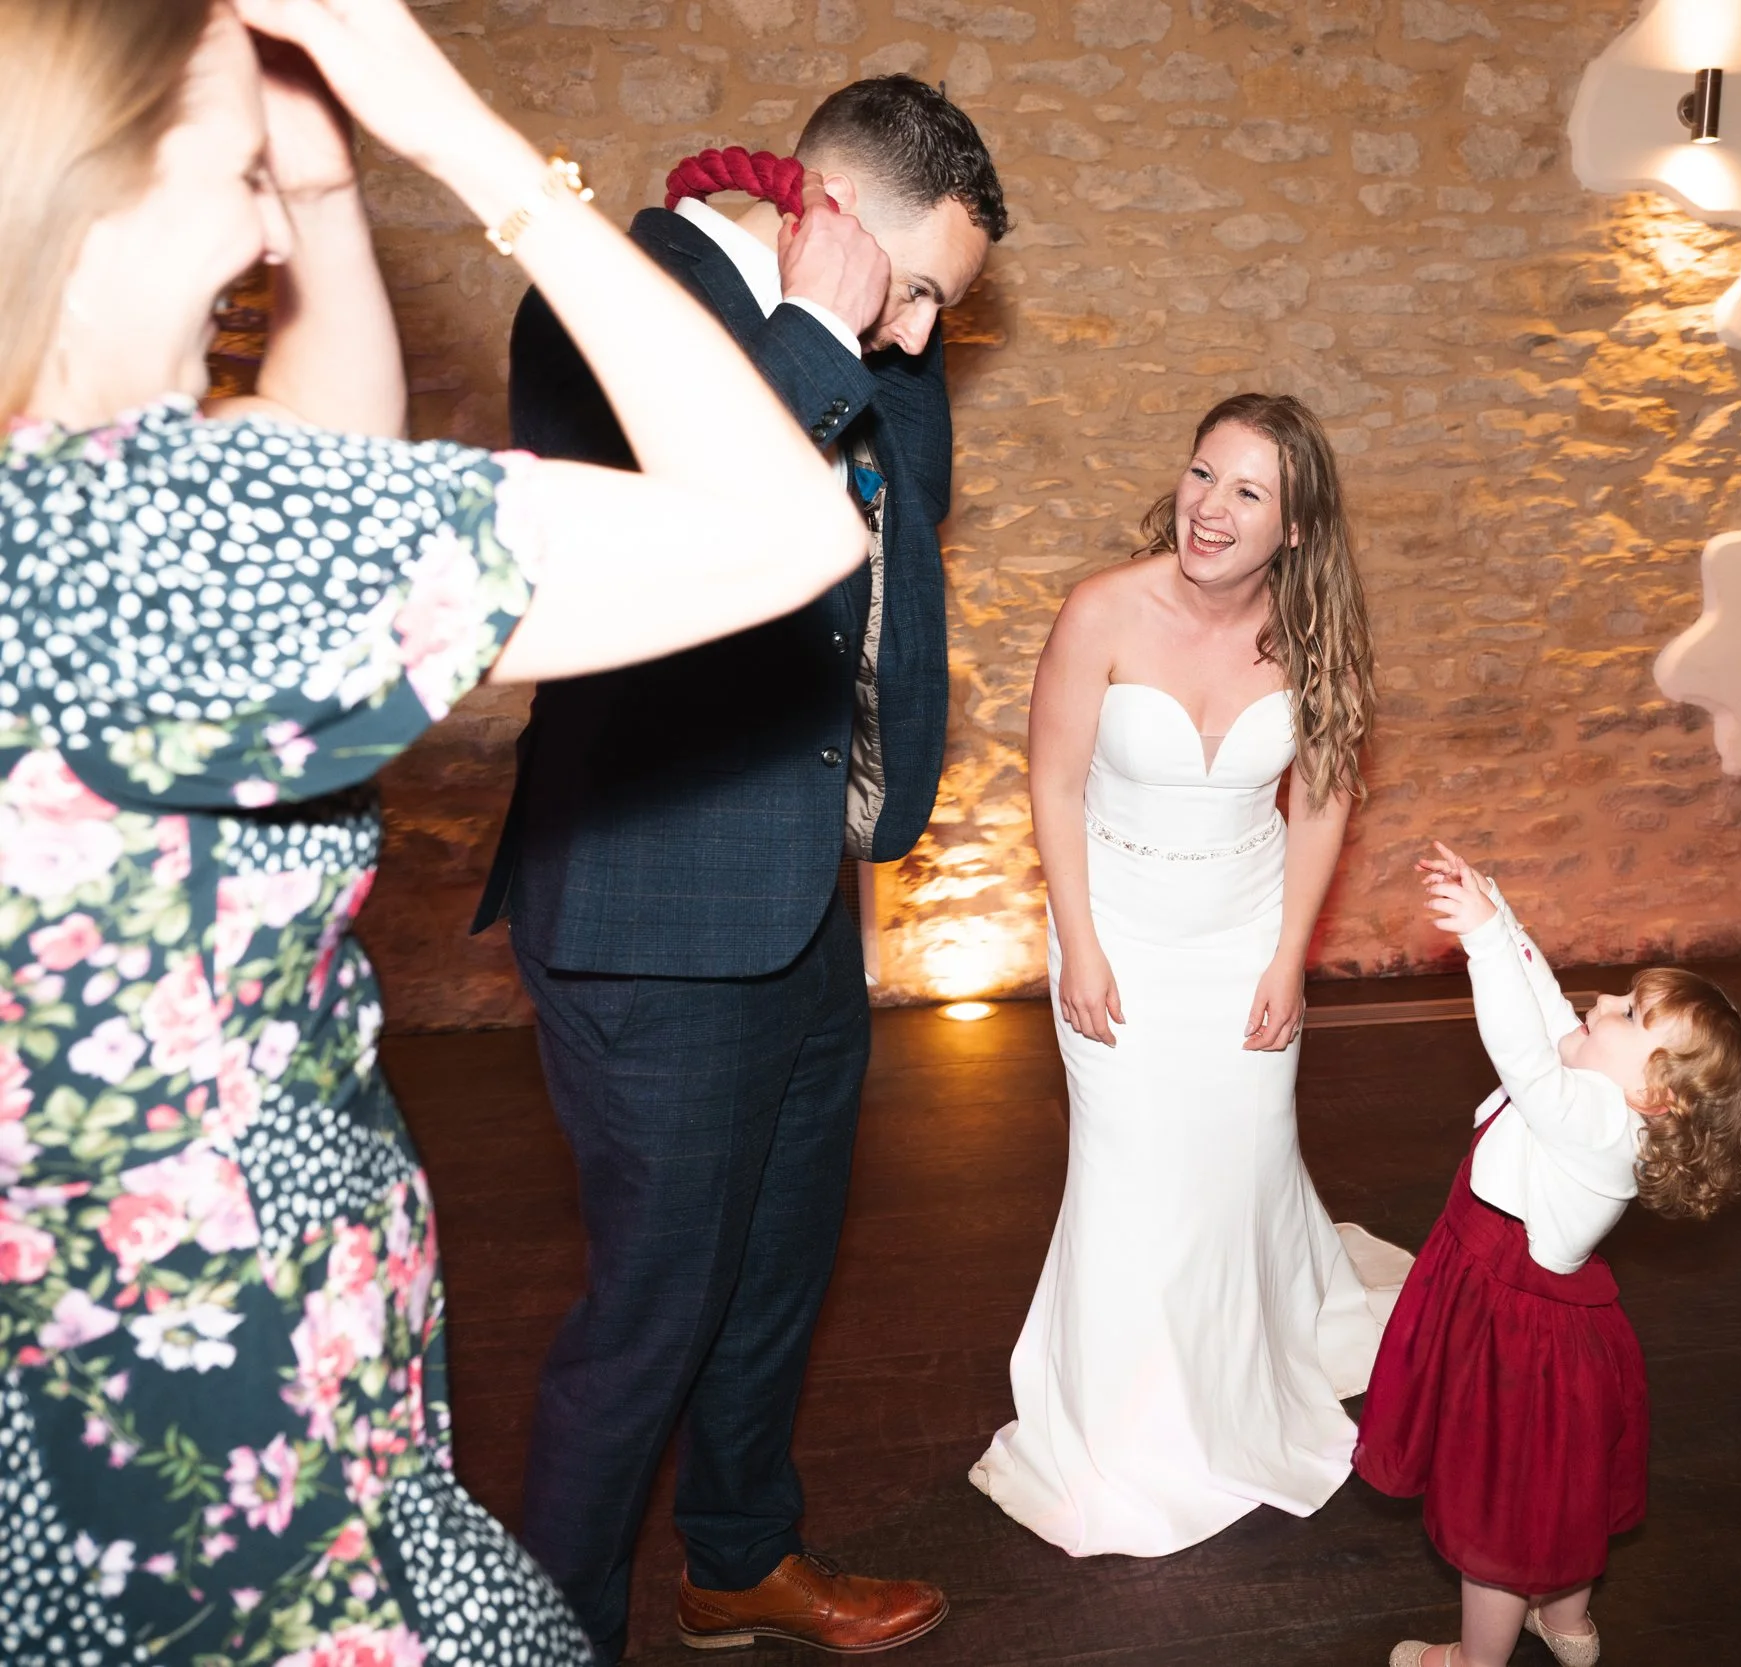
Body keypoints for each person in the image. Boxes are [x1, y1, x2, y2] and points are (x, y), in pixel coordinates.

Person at [0, 0, 872, 1657]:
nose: (263, 233)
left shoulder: (74, 521)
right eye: (238, 180)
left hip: (74, 1393)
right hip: (226, 1443)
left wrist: (328, 193)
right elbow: (780, 527)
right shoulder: (165, 543)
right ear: (101, 208)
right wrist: (464, 140)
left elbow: (321, 454)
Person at [466, 73, 1005, 1662]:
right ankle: (555, 1631)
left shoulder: (876, 345)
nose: (923, 335)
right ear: (830, 216)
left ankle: (737, 1557)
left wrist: (884, 335)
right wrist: (827, 333)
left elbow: (897, 533)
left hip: (797, 896)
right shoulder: (611, 300)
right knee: (651, 1314)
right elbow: (654, 551)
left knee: (773, 1276)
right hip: (652, 909)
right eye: (922, 291)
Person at [969, 392, 1407, 1555]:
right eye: (1203, 473)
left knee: (1242, 1156)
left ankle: (1246, 1363)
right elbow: (1053, 781)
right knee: (1127, 1171)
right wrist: (1080, 942)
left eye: (1247, 491)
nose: (1209, 506)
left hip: (1244, 929)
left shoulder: (1315, 636)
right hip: (1114, 921)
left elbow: (1321, 804)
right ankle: (1124, 1428)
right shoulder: (1102, 610)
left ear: (1294, 527)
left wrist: (1288, 958)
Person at [1361, 844, 1741, 1667]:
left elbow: (1522, 1051)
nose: (1603, 1001)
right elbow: (1550, 1011)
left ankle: (1476, 1661)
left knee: (1499, 1511)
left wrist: (1484, 941)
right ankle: (1569, 1621)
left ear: (1655, 1091)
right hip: (1538, 1320)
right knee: (1555, 1488)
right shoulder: (1609, 1095)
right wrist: (1501, 912)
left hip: (1510, 1331)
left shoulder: (1599, 1123)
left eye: (1628, 1013)